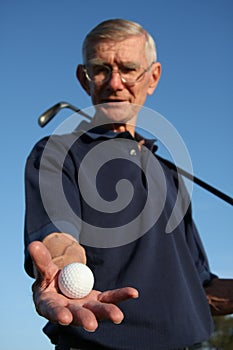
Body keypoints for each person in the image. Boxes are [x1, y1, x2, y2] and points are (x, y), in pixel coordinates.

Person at [24, 19, 233, 350]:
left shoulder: (172, 175)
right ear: (84, 78)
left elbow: (201, 288)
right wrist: (63, 267)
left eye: (129, 69)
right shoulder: (58, 153)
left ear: (152, 77)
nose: (115, 83)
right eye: (101, 69)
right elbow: (57, 236)